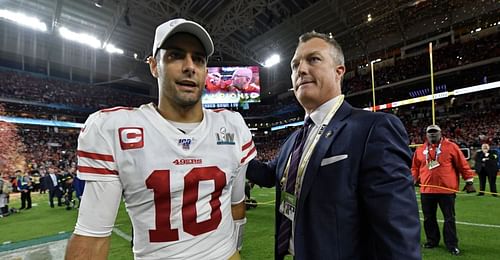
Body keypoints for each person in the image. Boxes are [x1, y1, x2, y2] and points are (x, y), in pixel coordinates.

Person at [65, 18, 255, 260]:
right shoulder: (112, 129)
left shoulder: (233, 125)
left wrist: (237, 248)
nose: (190, 66)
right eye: (176, 55)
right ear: (154, 66)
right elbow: (91, 238)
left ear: (206, 70)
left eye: (198, 58)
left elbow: (236, 205)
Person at [246, 31, 421, 260]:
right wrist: (229, 152)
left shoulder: (374, 128)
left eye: (313, 59)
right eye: (295, 64)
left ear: (339, 71)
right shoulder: (294, 140)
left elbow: (397, 231)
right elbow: (268, 174)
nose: (301, 69)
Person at [412, 124, 476, 255]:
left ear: (441, 133)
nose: (432, 134)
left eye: (435, 132)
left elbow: (462, 164)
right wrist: (413, 179)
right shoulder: (420, 149)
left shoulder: (451, 146)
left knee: (449, 218)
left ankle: (451, 244)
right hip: (427, 190)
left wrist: (469, 181)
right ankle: (432, 241)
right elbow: (415, 167)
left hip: (446, 190)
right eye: (430, 132)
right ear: (426, 134)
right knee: (429, 218)